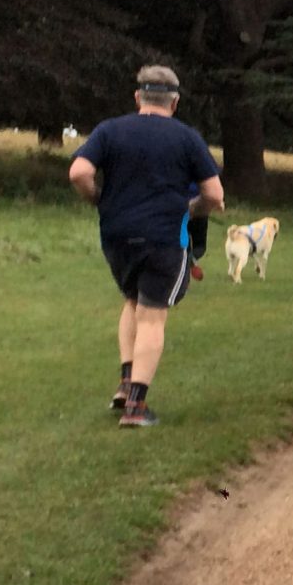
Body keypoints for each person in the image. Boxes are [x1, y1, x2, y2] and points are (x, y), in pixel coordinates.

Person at [68, 65, 224, 429]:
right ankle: (137, 407)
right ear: (175, 102)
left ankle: (125, 385)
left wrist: (98, 199)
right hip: (164, 237)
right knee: (153, 315)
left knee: (133, 302)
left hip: (117, 236)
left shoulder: (110, 130)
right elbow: (214, 196)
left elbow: (78, 172)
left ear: (138, 97)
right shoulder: (186, 138)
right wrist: (191, 209)